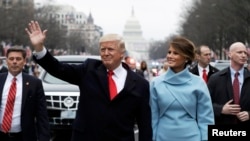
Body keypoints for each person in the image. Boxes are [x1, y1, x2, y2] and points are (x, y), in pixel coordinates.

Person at [25, 21, 152, 141]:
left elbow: (145, 124)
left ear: (122, 53)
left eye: (111, 49)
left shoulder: (140, 85)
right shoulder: (89, 70)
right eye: (103, 49)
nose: (106, 53)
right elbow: (58, 68)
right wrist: (40, 48)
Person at [150, 36, 214, 141]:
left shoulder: (198, 83)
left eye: (175, 53)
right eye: (169, 52)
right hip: (163, 137)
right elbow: (153, 118)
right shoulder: (156, 83)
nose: (170, 56)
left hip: (192, 137)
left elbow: (206, 119)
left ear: (186, 57)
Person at [0, 47, 50, 141]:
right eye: (11, 59)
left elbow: (42, 115)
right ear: (6, 61)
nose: (14, 62)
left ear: (24, 61)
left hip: (24, 136)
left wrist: (44, 137)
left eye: (18, 59)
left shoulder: (35, 83)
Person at [207, 42, 250, 125]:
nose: (244, 55)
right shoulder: (216, 78)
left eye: (245, 53)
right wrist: (221, 109)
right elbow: (204, 104)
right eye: (239, 52)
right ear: (230, 54)